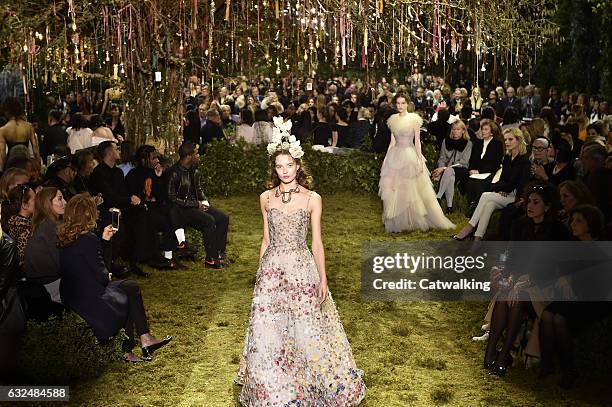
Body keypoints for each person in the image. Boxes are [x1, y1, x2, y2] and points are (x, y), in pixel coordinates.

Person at [237, 118, 366, 405]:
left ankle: (307, 379)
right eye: (279, 167)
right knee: (268, 327)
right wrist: (260, 273)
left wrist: (323, 278)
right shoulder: (265, 198)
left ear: (298, 166)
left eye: (289, 165)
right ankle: (271, 385)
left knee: (306, 326)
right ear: (275, 169)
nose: (284, 171)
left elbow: (317, 242)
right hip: (271, 269)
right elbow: (266, 239)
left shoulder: (312, 199)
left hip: (300, 267)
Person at [58, 194, 172, 363]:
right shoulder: (88, 239)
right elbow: (103, 276)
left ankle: (141, 341)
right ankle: (134, 346)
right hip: (90, 302)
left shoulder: (64, 238)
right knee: (129, 290)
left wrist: (104, 242)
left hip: (73, 297)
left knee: (129, 287)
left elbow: (89, 269)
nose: (98, 212)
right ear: (89, 214)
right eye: (95, 210)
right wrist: (105, 250)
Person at [379, 93, 455, 232]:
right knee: (395, 189)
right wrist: (386, 160)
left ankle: (413, 220)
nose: (401, 106)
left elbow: (417, 142)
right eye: (398, 103)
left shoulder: (414, 119)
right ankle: (398, 222)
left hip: (410, 155)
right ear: (396, 104)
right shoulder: (392, 120)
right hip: (395, 156)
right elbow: (392, 141)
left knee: (412, 190)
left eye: (403, 103)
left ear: (407, 104)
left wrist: (419, 161)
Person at [453, 128, 531, 240]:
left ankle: (469, 227)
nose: (507, 142)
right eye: (505, 140)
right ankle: (477, 238)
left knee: (485, 195)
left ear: (518, 140)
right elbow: (503, 179)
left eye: (510, 139)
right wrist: (499, 189)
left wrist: (501, 188)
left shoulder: (524, 161)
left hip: (517, 197)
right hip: (504, 194)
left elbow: (518, 183)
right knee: (489, 205)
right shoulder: (508, 158)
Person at [167, 142, 229, 269]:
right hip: (181, 210)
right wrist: (196, 204)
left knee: (223, 218)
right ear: (189, 156)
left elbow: (198, 189)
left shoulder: (194, 170)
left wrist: (204, 201)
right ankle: (210, 259)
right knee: (209, 221)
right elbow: (172, 199)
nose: (199, 156)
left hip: (194, 205)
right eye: (196, 153)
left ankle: (219, 254)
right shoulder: (173, 173)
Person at [24, 187, 65, 303]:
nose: (65, 203)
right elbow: (61, 262)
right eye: (60, 199)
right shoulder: (49, 227)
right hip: (50, 284)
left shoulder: (45, 223)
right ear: (48, 204)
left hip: (46, 282)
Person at [433, 120, 473, 214]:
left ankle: (438, 197)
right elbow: (442, 158)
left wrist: (443, 169)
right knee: (450, 176)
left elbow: (464, 162)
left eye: (458, 129)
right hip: (448, 170)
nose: (455, 131)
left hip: (461, 169)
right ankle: (449, 207)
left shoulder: (468, 143)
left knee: (449, 171)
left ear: (463, 131)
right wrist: (441, 169)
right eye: (453, 129)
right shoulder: (446, 141)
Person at [0, 97, 41, 172]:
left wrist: (1, 173)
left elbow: (2, 155)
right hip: (26, 164)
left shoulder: (3, 130)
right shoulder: (29, 126)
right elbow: (36, 151)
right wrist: (38, 170)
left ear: (6, 111)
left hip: (11, 166)